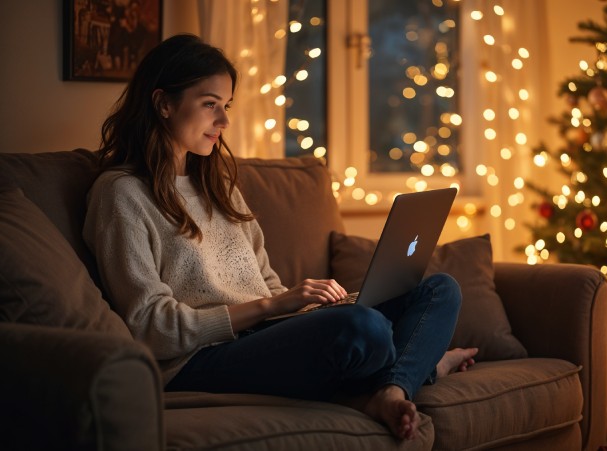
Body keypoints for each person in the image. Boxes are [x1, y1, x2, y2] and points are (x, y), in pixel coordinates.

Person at [83, 33, 477, 440]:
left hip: (264, 337)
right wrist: (275, 304)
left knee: (438, 291)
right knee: (363, 329)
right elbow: (151, 327)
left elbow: (264, 284)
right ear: (163, 103)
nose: (224, 122)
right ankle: (423, 366)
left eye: (226, 106)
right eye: (209, 105)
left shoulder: (220, 189)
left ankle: (393, 389)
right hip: (196, 360)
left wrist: (309, 308)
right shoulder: (121, 194)